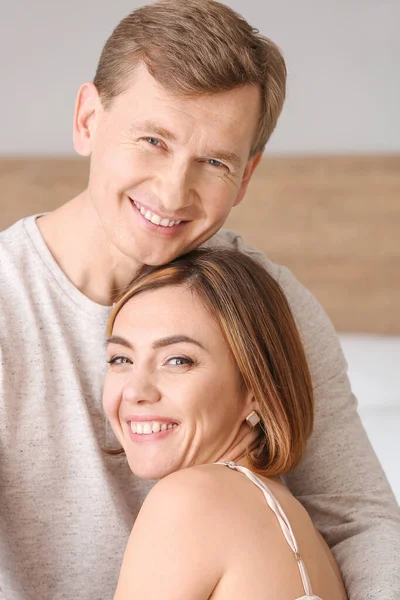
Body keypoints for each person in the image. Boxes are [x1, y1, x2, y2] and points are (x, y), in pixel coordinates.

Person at [0, 1, 398, 599]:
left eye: (214, 161)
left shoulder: (268, 304)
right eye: (153, 140)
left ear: (247, 174)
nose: (172, 190)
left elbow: (358, 521)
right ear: (87, 120)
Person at [103, 247, 347, 600]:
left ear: (256, 386)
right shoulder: (300, 529)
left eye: (178, 360)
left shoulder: (190, 501)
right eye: (121, 358)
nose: (135, 391)